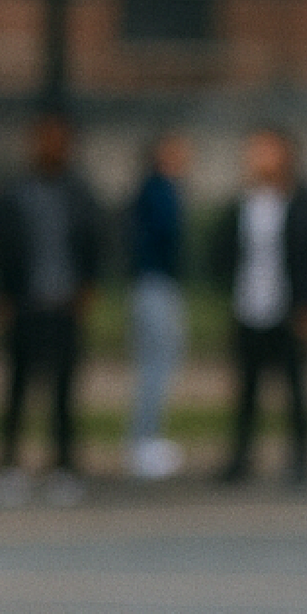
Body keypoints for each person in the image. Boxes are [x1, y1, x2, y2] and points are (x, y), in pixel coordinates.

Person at [0, 110, 101, 502]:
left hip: (63, 305)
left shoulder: (79, 196)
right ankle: (10, 465)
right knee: (16, 389)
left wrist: (87, 286)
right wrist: (2, 294)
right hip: (25, 304)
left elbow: (95, 242)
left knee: (64, 393)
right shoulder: (15, 195)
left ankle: (64, 466)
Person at [212, 127, 307, 483]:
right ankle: (241, 457)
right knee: (247, 390)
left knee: (296, 389)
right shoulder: (244, 205)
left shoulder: (306, 206)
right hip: (249, 308)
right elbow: (224, 253)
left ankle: (300, 459)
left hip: (290, 310)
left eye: (265, 151)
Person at [124, 132, 190, 480]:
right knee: (155, 364)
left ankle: (147, 438)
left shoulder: (159, 190)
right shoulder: (159, 192)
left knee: (161, 362)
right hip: (154, 283)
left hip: (157, 282)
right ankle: (142, 441)